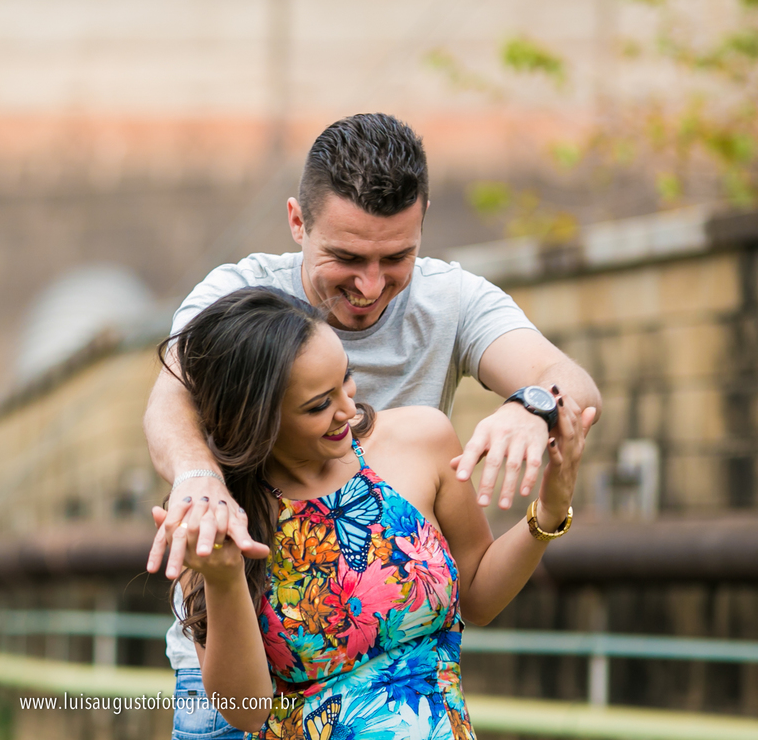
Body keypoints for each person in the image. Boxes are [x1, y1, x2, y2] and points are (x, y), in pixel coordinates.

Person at [143, 113, 602, 739]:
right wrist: (201, 482)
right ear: (298, 222)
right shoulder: (240, 300)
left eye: (396, 257)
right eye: (347, 257)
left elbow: (567, 379)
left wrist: (532, 405)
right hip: (250, 663)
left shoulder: (449, 313)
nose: (369, 285)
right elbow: (171, 398)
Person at [153, 286, 595, 738]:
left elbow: (479, 598)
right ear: (254, 419)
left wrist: (550, 510)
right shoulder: (218, 518)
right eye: (319, 405)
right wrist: (225, 580)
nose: (348, 408)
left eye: (345, 378)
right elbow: (246, 712)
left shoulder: (420, 439)